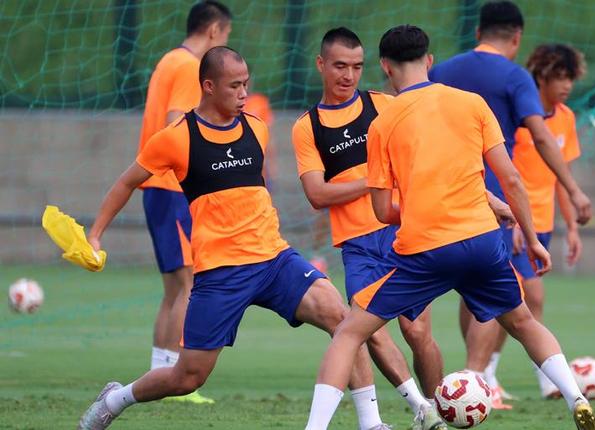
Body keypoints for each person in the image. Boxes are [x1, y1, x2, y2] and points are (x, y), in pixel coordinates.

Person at [304, 25, 595, 430]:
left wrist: (419, 211)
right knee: (523, 322)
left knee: (349, 333)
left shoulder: (383, 124)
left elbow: (381, 210)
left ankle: (316, 427)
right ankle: (576, 398)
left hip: (425, 250)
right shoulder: (472, 104)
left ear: (385, 67)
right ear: (429, 61)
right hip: (482, 241)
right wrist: (532, 238)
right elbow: (511, 179)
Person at [78, 47, 384, 430]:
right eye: (234, 86)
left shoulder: (256, 127)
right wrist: (95, 234)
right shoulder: (176, 138)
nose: (243, 94)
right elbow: (126, 182)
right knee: (187, 377)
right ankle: (115, 399)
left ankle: (372, 423)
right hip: (221, 273)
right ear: (208, 86)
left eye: (246, 84)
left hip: (274, 260)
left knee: (342, 319)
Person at [428, 0, 592, 406]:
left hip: (436, 196)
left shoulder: (441, 71)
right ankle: (476, 383)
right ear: (517, 37)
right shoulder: (514, 76)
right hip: (489, 201)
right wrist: (573, 189)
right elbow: (540, 137)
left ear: (477, 32)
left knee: (468, 291)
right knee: (501, 290)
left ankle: (475, 381)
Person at [292, 27, 449, 430]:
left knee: (417, 331)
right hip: (357, 244)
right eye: (340, 66)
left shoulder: (383, 104)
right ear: (321, 65)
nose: (349, 75)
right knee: (369, 330)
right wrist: (373, 180)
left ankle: (440, 407)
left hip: (401, 232)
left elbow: (423, 154)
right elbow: (317, 194)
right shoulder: (308, 126)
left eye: (357, 67)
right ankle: (423, 410)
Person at [136, 1, 232, 404]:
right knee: (189, 285)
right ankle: (176, 380)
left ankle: (159, 374)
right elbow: (176, 120)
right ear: (213, 31)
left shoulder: (168, 60)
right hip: (172, 189)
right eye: (225, 35)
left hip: (157, 190)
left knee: (174, 290)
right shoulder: (189, 66)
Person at [482, 43, 585, 399]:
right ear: (541, 76)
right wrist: (512, 221)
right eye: (560, 77)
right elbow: (507, 175)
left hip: (543, 225)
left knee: (519, 301)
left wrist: (572, 227)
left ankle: (490, 374)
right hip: (516, 224)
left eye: (570, 78)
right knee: (527, 296)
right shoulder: (522, 122)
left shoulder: (566, 118)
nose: (566, 85)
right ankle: (540, 379)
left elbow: (560, 177)